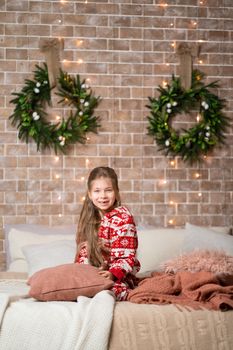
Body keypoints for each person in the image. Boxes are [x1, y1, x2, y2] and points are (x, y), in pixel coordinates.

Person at [75, 166, 140, 301]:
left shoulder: (123, 218)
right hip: (94, 273)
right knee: (71, 284)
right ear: (89, 194)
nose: (103, 196)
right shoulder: (89, 219)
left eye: (108, 190)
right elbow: (83, 252)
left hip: (118, 276)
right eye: (97, 191)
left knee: (109, 290)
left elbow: (126, 255)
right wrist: (81, 273)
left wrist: (112, 273)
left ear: (116, 191)